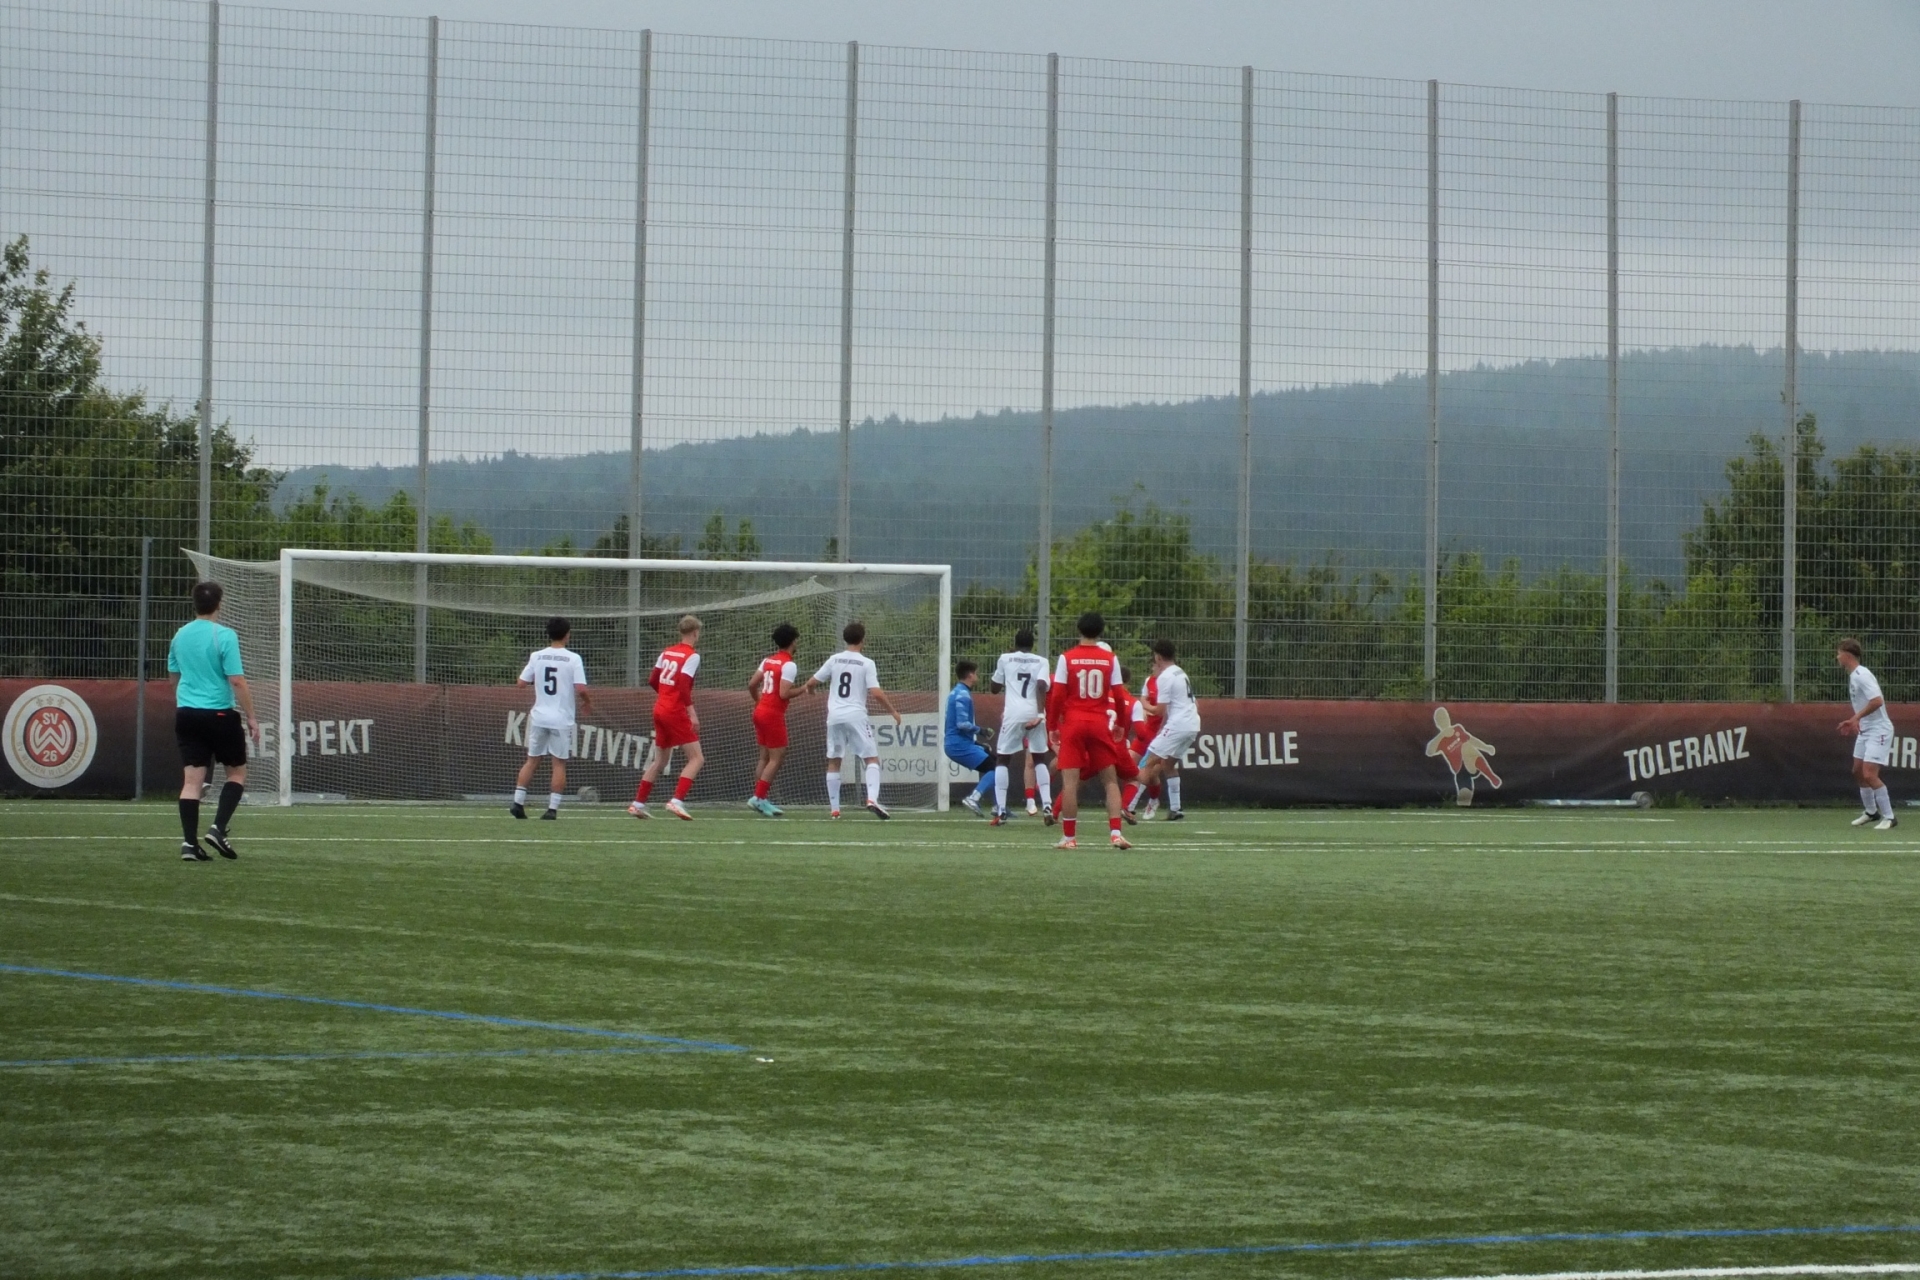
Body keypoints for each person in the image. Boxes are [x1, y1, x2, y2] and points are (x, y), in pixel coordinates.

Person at [168, 580, 260, 861]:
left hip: (187, 713)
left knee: (191, 782)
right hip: (219, 713)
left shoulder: (180, 635)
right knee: (237, 773)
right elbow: (236, 680)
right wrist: (251, 716)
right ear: (220, 603)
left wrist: (186, 699)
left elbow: (174, 675)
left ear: (194, 604)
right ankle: (218, 828)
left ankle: (189, 844)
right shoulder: (225, 636)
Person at [1044, 611, 1131, 850]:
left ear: (1078, 630)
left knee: (1070, 783)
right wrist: (1121, 724)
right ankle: (1116, 834)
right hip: (1099, 722)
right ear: (1101, 631)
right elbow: (1119, 694)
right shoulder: (1110, 659)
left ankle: (1069, 838)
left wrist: (1052, 726)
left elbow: (1057, 695)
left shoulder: (1067, 658)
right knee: (1110, 781)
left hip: (1074, 723)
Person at [803, 621, 902, 819]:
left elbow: (811, 683)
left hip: (834, 716)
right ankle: (872, 799)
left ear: (845, 639)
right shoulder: (866, 663)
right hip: (856, 715)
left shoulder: (834, 659)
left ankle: (835, 810)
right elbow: (876, 693)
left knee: (834, 760)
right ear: (863, 640)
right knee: (871, 758)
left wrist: (812, 692)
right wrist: (893, 711)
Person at [513, 616, 593, 821]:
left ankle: (518, 803)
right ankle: (552, 809)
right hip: (561, 719)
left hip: (539, 716)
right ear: (567, 635)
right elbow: (581, 688)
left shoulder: (537, 656)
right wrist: (587, 702)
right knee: (558, 763)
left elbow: (521, 683)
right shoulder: (573, 658)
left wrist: (538, 680)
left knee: (532, 760)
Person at [631, 615, 704, 821]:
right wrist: (692, 712)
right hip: (674, 711)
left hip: (660, 709)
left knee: (660, 760)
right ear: (695, 632)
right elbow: (683, 685)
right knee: (697, 758)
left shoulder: (667, 652)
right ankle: (677, 801)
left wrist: (665, 695)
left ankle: (638, 804)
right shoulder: (692, 656)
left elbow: (653, 679)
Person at [1125, 639, 1200, 823]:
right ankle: (1175, 808)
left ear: (1158, 657)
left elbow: (1159, 710)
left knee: (1147, 763)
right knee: (1168, 765)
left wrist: (1142, 704)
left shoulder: (1165, 677)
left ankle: (1128, 806)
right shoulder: (1180, 672)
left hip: (1178, 725)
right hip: (1192, 724)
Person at [990, 627, 1054, 825]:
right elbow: (1042, 685)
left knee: (1003, 758)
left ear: (1015, 643)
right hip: (1034, 712)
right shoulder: (1041, 661)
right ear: (1032, 645)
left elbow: (994, 688)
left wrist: (1005, 673)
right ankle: (1047, 805)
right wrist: (1040, 714)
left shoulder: (1005, 658)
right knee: (1039, 758)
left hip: (1013, 714)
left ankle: (1001, 810)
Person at [1837, 638, 1898, 830]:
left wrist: (1855, 718)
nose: (1837, 657)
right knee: (1857, 771)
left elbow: (1877, 701)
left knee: (1870, 774)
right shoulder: (1853, 676)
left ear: (1847, 655)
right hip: (1866, 729)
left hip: (1879, 729)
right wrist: (1858, 721)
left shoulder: (1862, 674)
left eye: (1839, 653)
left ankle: (1889, 817)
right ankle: (1871, 812)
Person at [748, 622, 804, 817]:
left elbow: (752, 684)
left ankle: (760, 798)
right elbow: (784, 693)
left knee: (764, 757)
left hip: (760, 711)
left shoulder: (767, 661)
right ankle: (758, 797)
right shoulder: (789, 664)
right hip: (772, 714)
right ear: (793, 641)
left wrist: (759, 701)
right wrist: (803, 689)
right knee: (777, 757)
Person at [944, 661, 998, 817]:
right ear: (970, 675)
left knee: (996, 763)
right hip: (958, 745)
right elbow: (961, 724)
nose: (977, 676)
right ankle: (974, 798)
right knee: (995, 768)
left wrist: (976, 743)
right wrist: (982, 731)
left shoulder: (956, 692)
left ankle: (998, 807)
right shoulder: (962, 694)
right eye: (976, 673)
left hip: (960, 743)